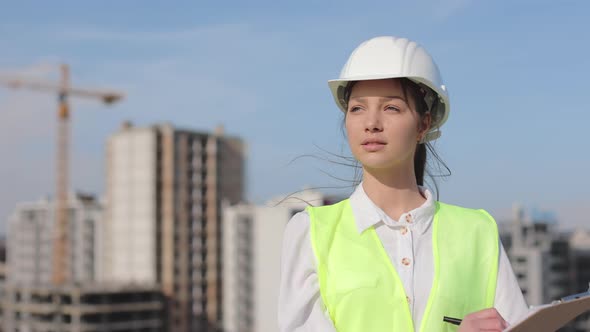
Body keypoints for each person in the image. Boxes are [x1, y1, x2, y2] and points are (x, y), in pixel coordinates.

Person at [278, 36, 529, 332]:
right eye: (357, 108)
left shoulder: (478, 232)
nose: (371, 122)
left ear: (423, 124)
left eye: (391, 108)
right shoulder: (311, 233)